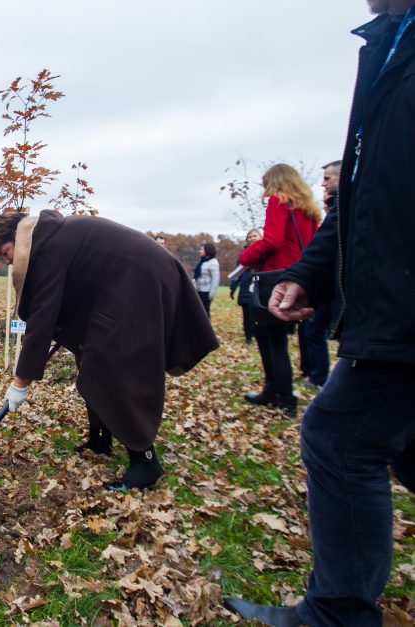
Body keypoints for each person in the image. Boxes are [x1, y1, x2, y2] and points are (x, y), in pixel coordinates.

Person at [225, 1, 415, 624]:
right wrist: (310, 274)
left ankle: (337, 612)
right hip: (370, 295)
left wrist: (250, 267)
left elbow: (273, 238)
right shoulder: (387, 48)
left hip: (398, 305)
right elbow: (361, 198)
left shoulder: (284, 203)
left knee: (338, 434)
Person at [0, 210, 219, 491]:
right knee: (90, 360)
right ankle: (100, 440)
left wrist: (20, 382)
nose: (7, 261)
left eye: (5, 252)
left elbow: (42, 318)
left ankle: (145, 462)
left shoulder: (47, 248)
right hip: (130, 282)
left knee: (114, 366)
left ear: (17, 237)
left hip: (142, 283)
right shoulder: (50, 237)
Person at [238, 164, 321, 417]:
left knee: (270, 340)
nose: (264, 190)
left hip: (274, 277)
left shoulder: (279, 200)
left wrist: (247, 255)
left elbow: (272, 239)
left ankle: (282, 396)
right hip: (297, 277)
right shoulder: (309, 210)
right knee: (277, 340)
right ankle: (274, 390)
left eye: (265, 184)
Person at [298, 160, 343, 389]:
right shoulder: (333, 211)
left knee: (315, 331)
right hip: (325, 285)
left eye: (328, 178)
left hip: (330, 288)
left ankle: (318, 377)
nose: (323, 184)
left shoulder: (347, 211)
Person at [229, 229, 263, 344]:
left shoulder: (266, 252)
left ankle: (259, 334)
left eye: (255, 236)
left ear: (261, 237)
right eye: (249, 237)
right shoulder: (243, 255)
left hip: (261, 285)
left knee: (260, 314)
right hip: (246, 287)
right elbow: (237, 273)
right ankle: (248, 337)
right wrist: (233, 288)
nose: (252, 238)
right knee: (247, 315)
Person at [192, 241, 220, 317]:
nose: (200, 251)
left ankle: (206, 328)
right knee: (197, 310)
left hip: (206, 291)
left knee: (204, 311)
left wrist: (212, 294)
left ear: (208, 250)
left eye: (202, 249)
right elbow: (196, 275)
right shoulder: (202, 261)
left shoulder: (213, 262)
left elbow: (215, 279)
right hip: (198, 289)